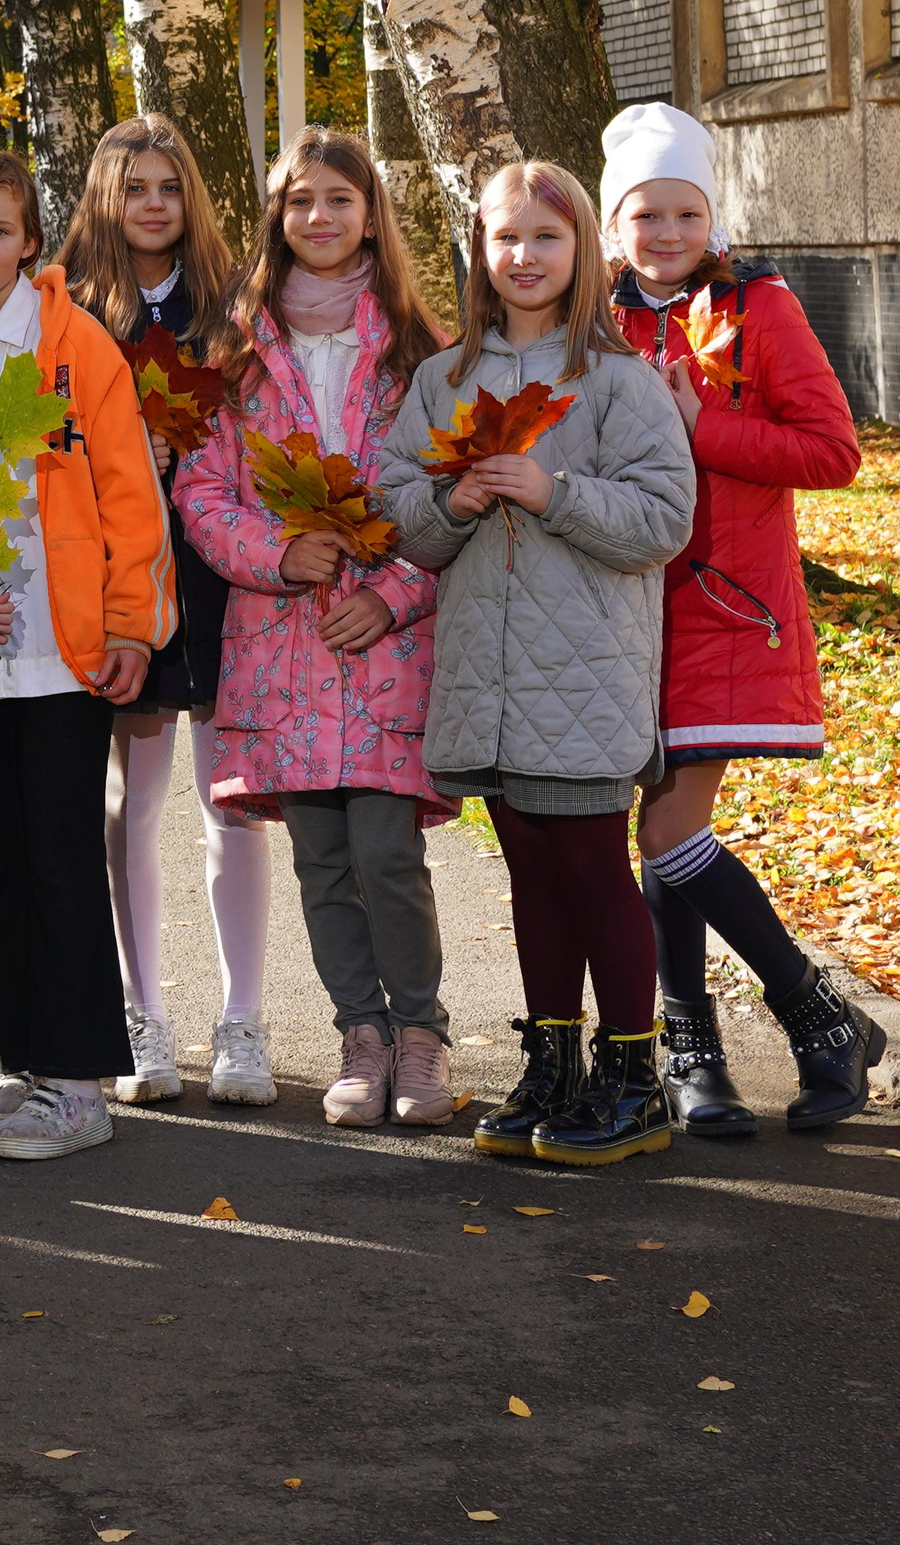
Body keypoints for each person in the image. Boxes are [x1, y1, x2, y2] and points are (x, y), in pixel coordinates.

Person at [382, 162, 696, 1167]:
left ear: (583, 252)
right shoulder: (443, 379)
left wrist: (554, 492)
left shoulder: (615, 381)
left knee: (597, 869)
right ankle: (553, 1063)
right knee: (529, 872)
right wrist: (450, 505)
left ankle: (635, 1077)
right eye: (504, 236)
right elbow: (401, 517)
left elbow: (662, 520)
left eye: (545, 238)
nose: (523, 256)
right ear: (477, 247)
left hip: (588, 673)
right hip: (488, 677)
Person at [598, 101, 877, 1132]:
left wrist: (701, 424)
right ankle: (705, 1050)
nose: (665, 233)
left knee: (667, 825)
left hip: (729, 605)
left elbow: (830, 451)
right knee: (666, 823)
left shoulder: (760, 308)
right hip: (627, 612)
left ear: (710, 217)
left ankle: (800, 1014)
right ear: (614, 223)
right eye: (644, 215)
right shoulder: (600, 320)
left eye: (683, 213)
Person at [176, 128, 452, 1127]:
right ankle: (359, 1035)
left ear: (370, 213)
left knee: (387, 853)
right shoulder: (237, 352)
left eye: (339, 198)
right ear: (276, 219)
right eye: (299, 201)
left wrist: (397, 591)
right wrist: (272, 551)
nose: (319, 217)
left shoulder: (421, 352)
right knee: (321, 857)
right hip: (281, 645)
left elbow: (453, 493)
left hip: (385, 642)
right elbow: (202, 488)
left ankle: (419, 1034)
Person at [0, 145, 174, 1163]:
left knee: (62, 854)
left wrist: (127, 626)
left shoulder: (78, 347)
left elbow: (128, 498)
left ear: (30, 242)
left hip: (66, 651)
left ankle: (79, 1082)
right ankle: (19, 1054)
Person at [58, 114, 274, 1109]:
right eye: (133, 186)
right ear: (104, 196)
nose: (152, 203)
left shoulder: (235, 306)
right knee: (130, 802)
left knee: (229, 799)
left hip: (223, 573)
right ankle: (142, 1017)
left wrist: (194, 458)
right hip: (121, 578)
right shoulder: (63, 304)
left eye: (168, 186)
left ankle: (244, 1020)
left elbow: (270, 428)